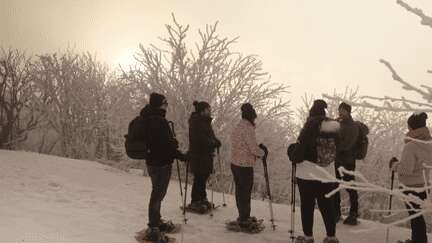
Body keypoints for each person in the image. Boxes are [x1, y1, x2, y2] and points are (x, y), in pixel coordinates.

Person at [289, 99, 340, 243]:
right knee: (327, 206)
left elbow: (299, 153)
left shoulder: (309, 126)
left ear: (311, 113)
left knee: (307, 205)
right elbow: (339, 149)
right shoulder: (334, 127)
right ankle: (331, 237)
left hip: (307, 174)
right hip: (327, 174)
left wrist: (291, 152)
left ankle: (308, 237)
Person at [140, 93, 187, 243]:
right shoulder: (158, 121)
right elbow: (165, 145)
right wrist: (179, 152)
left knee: (157, 192)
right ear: (159, 105)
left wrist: (171, 145)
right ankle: (154, 227)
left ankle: (156, 221)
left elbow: (158, 142)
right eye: (165, 104)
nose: (166, 106)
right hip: (161, 163)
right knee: (157, 194)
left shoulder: (147, 118)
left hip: (152, 162)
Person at [390, 112, 431, 243]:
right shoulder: (429, 143)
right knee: (417, 216)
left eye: (408, 126)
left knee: (415, 217)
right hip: (424, 186)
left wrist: (394, 165)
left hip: (410, 187)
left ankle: (419, 241)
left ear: (412, 128)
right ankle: (418, 240)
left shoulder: (411, 145)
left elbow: (406, 169)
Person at [230, 103, 266, 231]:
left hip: (235, 163)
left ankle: (242, 215)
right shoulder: (248, 128)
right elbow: (253, 148)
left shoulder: (238, 126)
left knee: (240, 191)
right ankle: (244, 218)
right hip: (244, 165)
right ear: (251, 116)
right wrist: (263, 152)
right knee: (245, 192)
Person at [187, 101, 221, 213]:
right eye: (208, 109)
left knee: (204, 176)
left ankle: (202, 198)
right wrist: (212, 143)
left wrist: (216, 141)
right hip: (199, 154)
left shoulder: (205, 122)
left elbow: (210, 135)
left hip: (205, 154)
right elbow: (199, 138)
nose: (210, 110)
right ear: (203, 110)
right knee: (199, 177)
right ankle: (195, 200)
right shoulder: (196, 122)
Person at [334, 102, 360, 225]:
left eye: (342, 110)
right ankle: (336, 212)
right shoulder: (339, 123)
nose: (340, 112)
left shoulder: (352, 126)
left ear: (348, 111)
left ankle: (353, 214)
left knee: (350, 187)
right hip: (338, 160)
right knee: (335, 186)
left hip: (348, 161)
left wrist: (334, 145)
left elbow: (347, 144)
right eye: (339, 109)